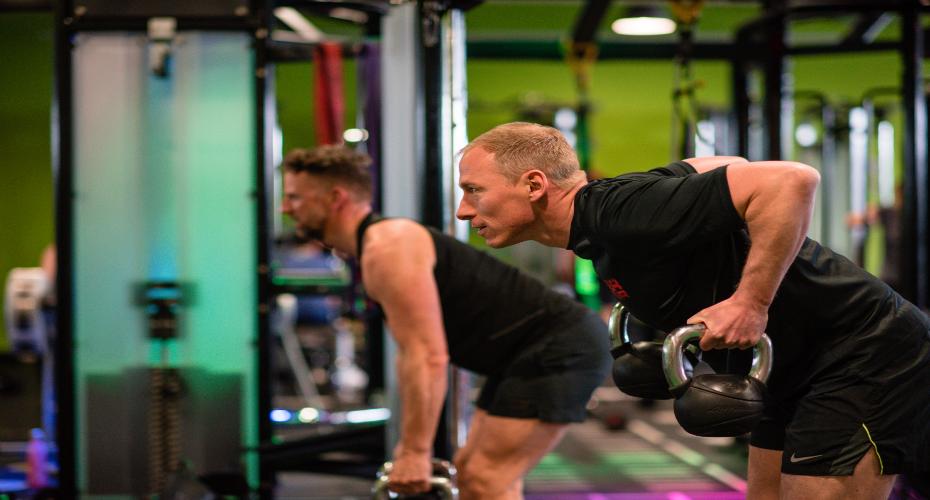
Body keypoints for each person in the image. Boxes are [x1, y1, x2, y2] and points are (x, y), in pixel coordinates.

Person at [456, 121, 930, 500]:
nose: (462, 210)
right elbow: (731, 163)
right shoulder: (605, 222)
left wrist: (751, 302)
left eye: (474, 189)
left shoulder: (621, 212)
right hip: (792, 364)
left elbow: (792, 179)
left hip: (863, 354)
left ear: (534, 185)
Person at [279, 145, 611, 500]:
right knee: (473, 475)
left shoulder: (388, 245)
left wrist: (414, 452)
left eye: (295, 198)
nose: (286, 208)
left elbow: (426, 355)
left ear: (335, 198)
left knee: (485, 479)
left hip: (557, 346)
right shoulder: (375, 246)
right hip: (519, 356)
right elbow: (414, 353)